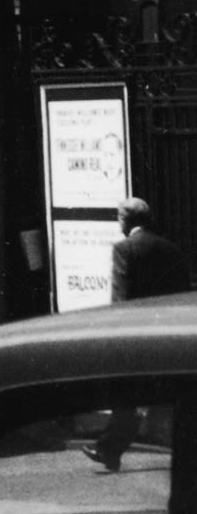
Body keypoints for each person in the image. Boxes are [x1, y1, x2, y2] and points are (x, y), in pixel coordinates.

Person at [87, 199, 192, 470]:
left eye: (119, 217)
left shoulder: (124, 248)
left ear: (126, 219)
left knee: (125, 392)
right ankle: (110, 448)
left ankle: (110, 449)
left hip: (135, 333)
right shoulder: (172, 249)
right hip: (168, 331)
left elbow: (121, 297)